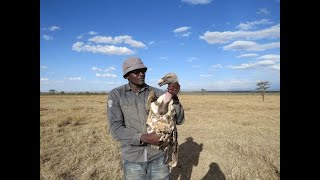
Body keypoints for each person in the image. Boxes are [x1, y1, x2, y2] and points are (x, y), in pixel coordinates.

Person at [107, 57, 185, 180]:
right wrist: (144, 138)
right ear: (127, 75)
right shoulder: (117, 95)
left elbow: (179, 120)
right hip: (133, 159)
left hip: (158, 156)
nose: (141, 74)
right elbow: (115, 129)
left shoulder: (159, 93)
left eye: (143, 70)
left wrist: (174, 99)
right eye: (136, 71)